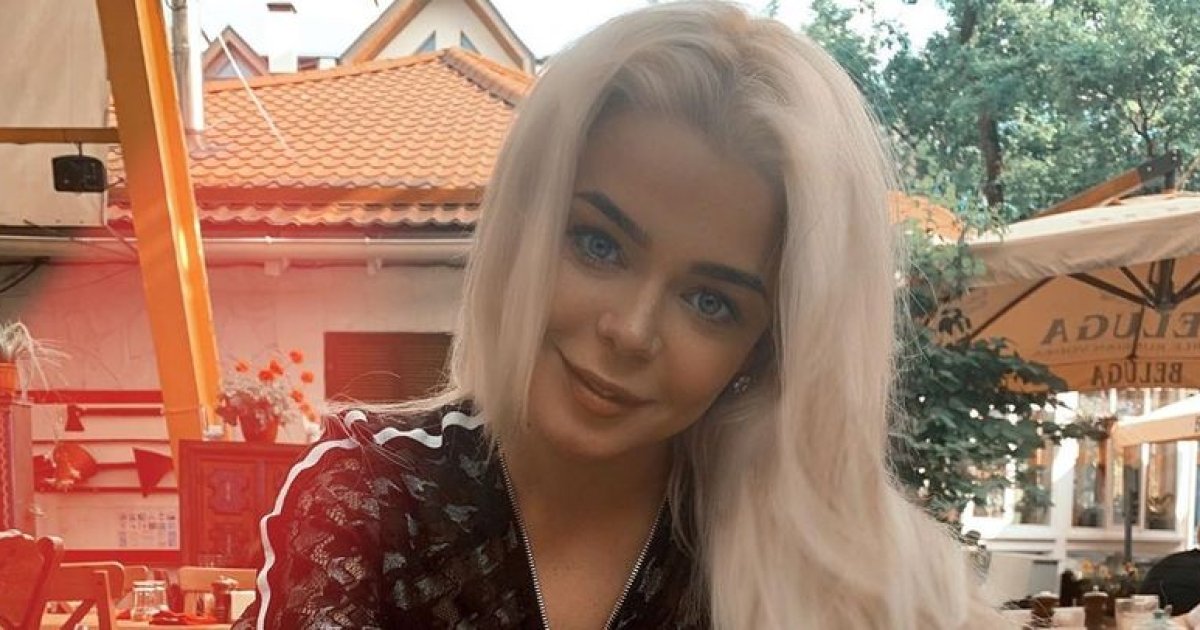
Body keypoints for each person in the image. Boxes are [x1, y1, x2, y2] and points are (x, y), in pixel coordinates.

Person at [232, 2, 1004, 628]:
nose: (631, 331)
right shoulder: (371, 494)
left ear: (766, 348)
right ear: (525, 224)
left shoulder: (838, 573)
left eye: (711, 302)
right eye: (599, 244)